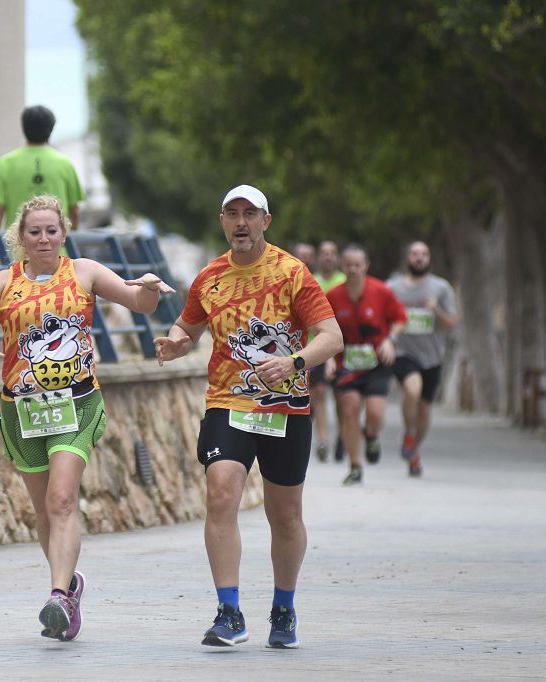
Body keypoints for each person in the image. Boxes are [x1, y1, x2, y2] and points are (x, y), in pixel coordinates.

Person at [0, 195, 172, 642]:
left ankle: (56, 596)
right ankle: (69, 587)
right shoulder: (2, 281)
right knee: (45, 513)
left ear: (64, 233)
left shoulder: (84, 272)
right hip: (23, 411)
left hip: (76, 405)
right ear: (21, 238)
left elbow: (139, 303)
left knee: (62, 499)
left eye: (52, 230)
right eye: (35, 231)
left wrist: (147, 285)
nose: (44, 238)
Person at [154, 185, 342, 650]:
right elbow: (188, 325)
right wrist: (176, 342)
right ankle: (229, 612)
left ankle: (284, 608)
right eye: (232, 214)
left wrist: (294, 362)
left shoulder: (291, 272)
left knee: (286, 516)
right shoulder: (209, 277)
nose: (241, 222)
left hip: (286, 408)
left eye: (249, 214)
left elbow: (331, 337)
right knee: (221, 494)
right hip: (229, 403)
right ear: (222, 221)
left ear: (265, 221)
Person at [325, 245, 407, 486]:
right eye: (348, 265)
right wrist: (329, 358)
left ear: (366, 266)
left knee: (375, 413)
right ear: (343, 266)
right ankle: (355, 466)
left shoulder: (381, 291)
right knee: (349, 410)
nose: (352, 270)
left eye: (357, 265)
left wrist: (391, 341)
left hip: (377, 363)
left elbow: (400, 318)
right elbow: (325, 329)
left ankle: (371, 435)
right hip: (347, 363)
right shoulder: (333, 296)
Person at [387, 241, 458, 477]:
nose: (419, 258)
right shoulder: (393, 287)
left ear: (429, 259)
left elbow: (451, 325)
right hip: (403, 353)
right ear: (407, 258)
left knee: (425, 411)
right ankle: (409, 432)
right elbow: (381, 317)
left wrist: (435, 309)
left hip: (432, 356)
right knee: (412, 389)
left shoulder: (441, 288)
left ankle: (413, 451)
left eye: (424, 254)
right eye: (415, 254)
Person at [0, 105, 85, 233]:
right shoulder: (65, 163)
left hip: (17, 248)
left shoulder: (6, 163)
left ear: (23, 127)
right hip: (56, 249)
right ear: (51, 128)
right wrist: (70, 238)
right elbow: (74, 210)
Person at [311, 240, 347, 462]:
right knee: (319, 394)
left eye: (332, 253)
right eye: (324, 253)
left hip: (342, 347)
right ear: (318, 258)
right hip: (315, 347)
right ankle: (323, 440)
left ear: (338, 258)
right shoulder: (310, 282)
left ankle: (343, 437)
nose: (328, 257)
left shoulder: (344, 282)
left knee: (343, 398)